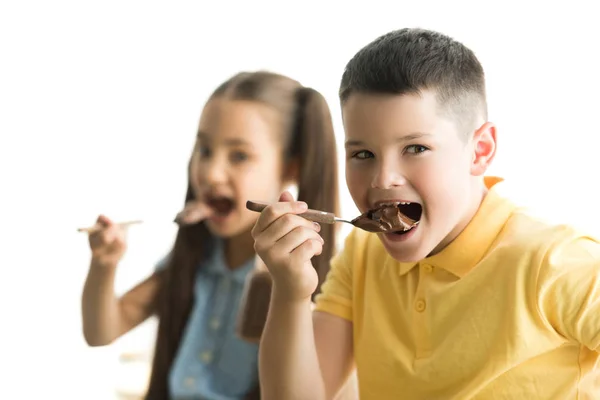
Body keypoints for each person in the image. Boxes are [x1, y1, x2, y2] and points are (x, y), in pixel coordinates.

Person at [250, 28, 600, 399]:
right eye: (362, 155)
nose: (383, 179)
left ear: (480, 150)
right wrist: (291, 292)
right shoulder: (363, 255)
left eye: (415, 148)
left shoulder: (557, 262)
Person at [81, 70, 341, 400]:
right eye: (204, 150)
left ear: (291, 168)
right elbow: (101, 331)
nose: (210, 173)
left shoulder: (300, 279)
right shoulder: (195, 260)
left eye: (239, 156)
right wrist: (104, 265)